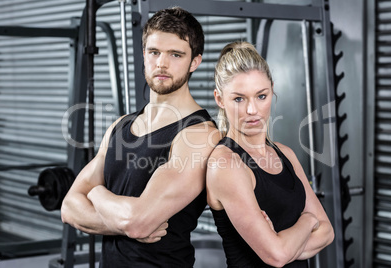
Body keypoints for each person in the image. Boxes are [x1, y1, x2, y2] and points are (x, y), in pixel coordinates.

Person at [61, 7, 220, 267]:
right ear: (144, 54)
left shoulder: (198, 134)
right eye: (154, 52)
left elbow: (138, 222)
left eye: (175, 54)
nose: (162, 63)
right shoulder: (120, 127)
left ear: (195, 61)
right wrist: (122, 223)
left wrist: (97, 194)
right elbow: (68, 208)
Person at [206, 41, 334, 268]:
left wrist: (284, 244)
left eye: (261, 96)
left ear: (272, 90)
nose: (252, 110)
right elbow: (276, 256)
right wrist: (308, 220)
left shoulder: (285, 154)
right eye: (239, 99)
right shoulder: (226, 164)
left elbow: (327, 233)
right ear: (219, 99)